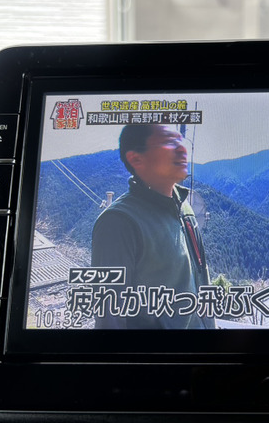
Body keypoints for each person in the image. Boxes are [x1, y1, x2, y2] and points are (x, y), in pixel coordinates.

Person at [91, 124, 214, 329]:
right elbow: (110, 320)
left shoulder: (185, 208)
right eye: (168, 141)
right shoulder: (118, 223)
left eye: (179, 140)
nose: (182, 148)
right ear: (136, 159)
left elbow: (202, 280)